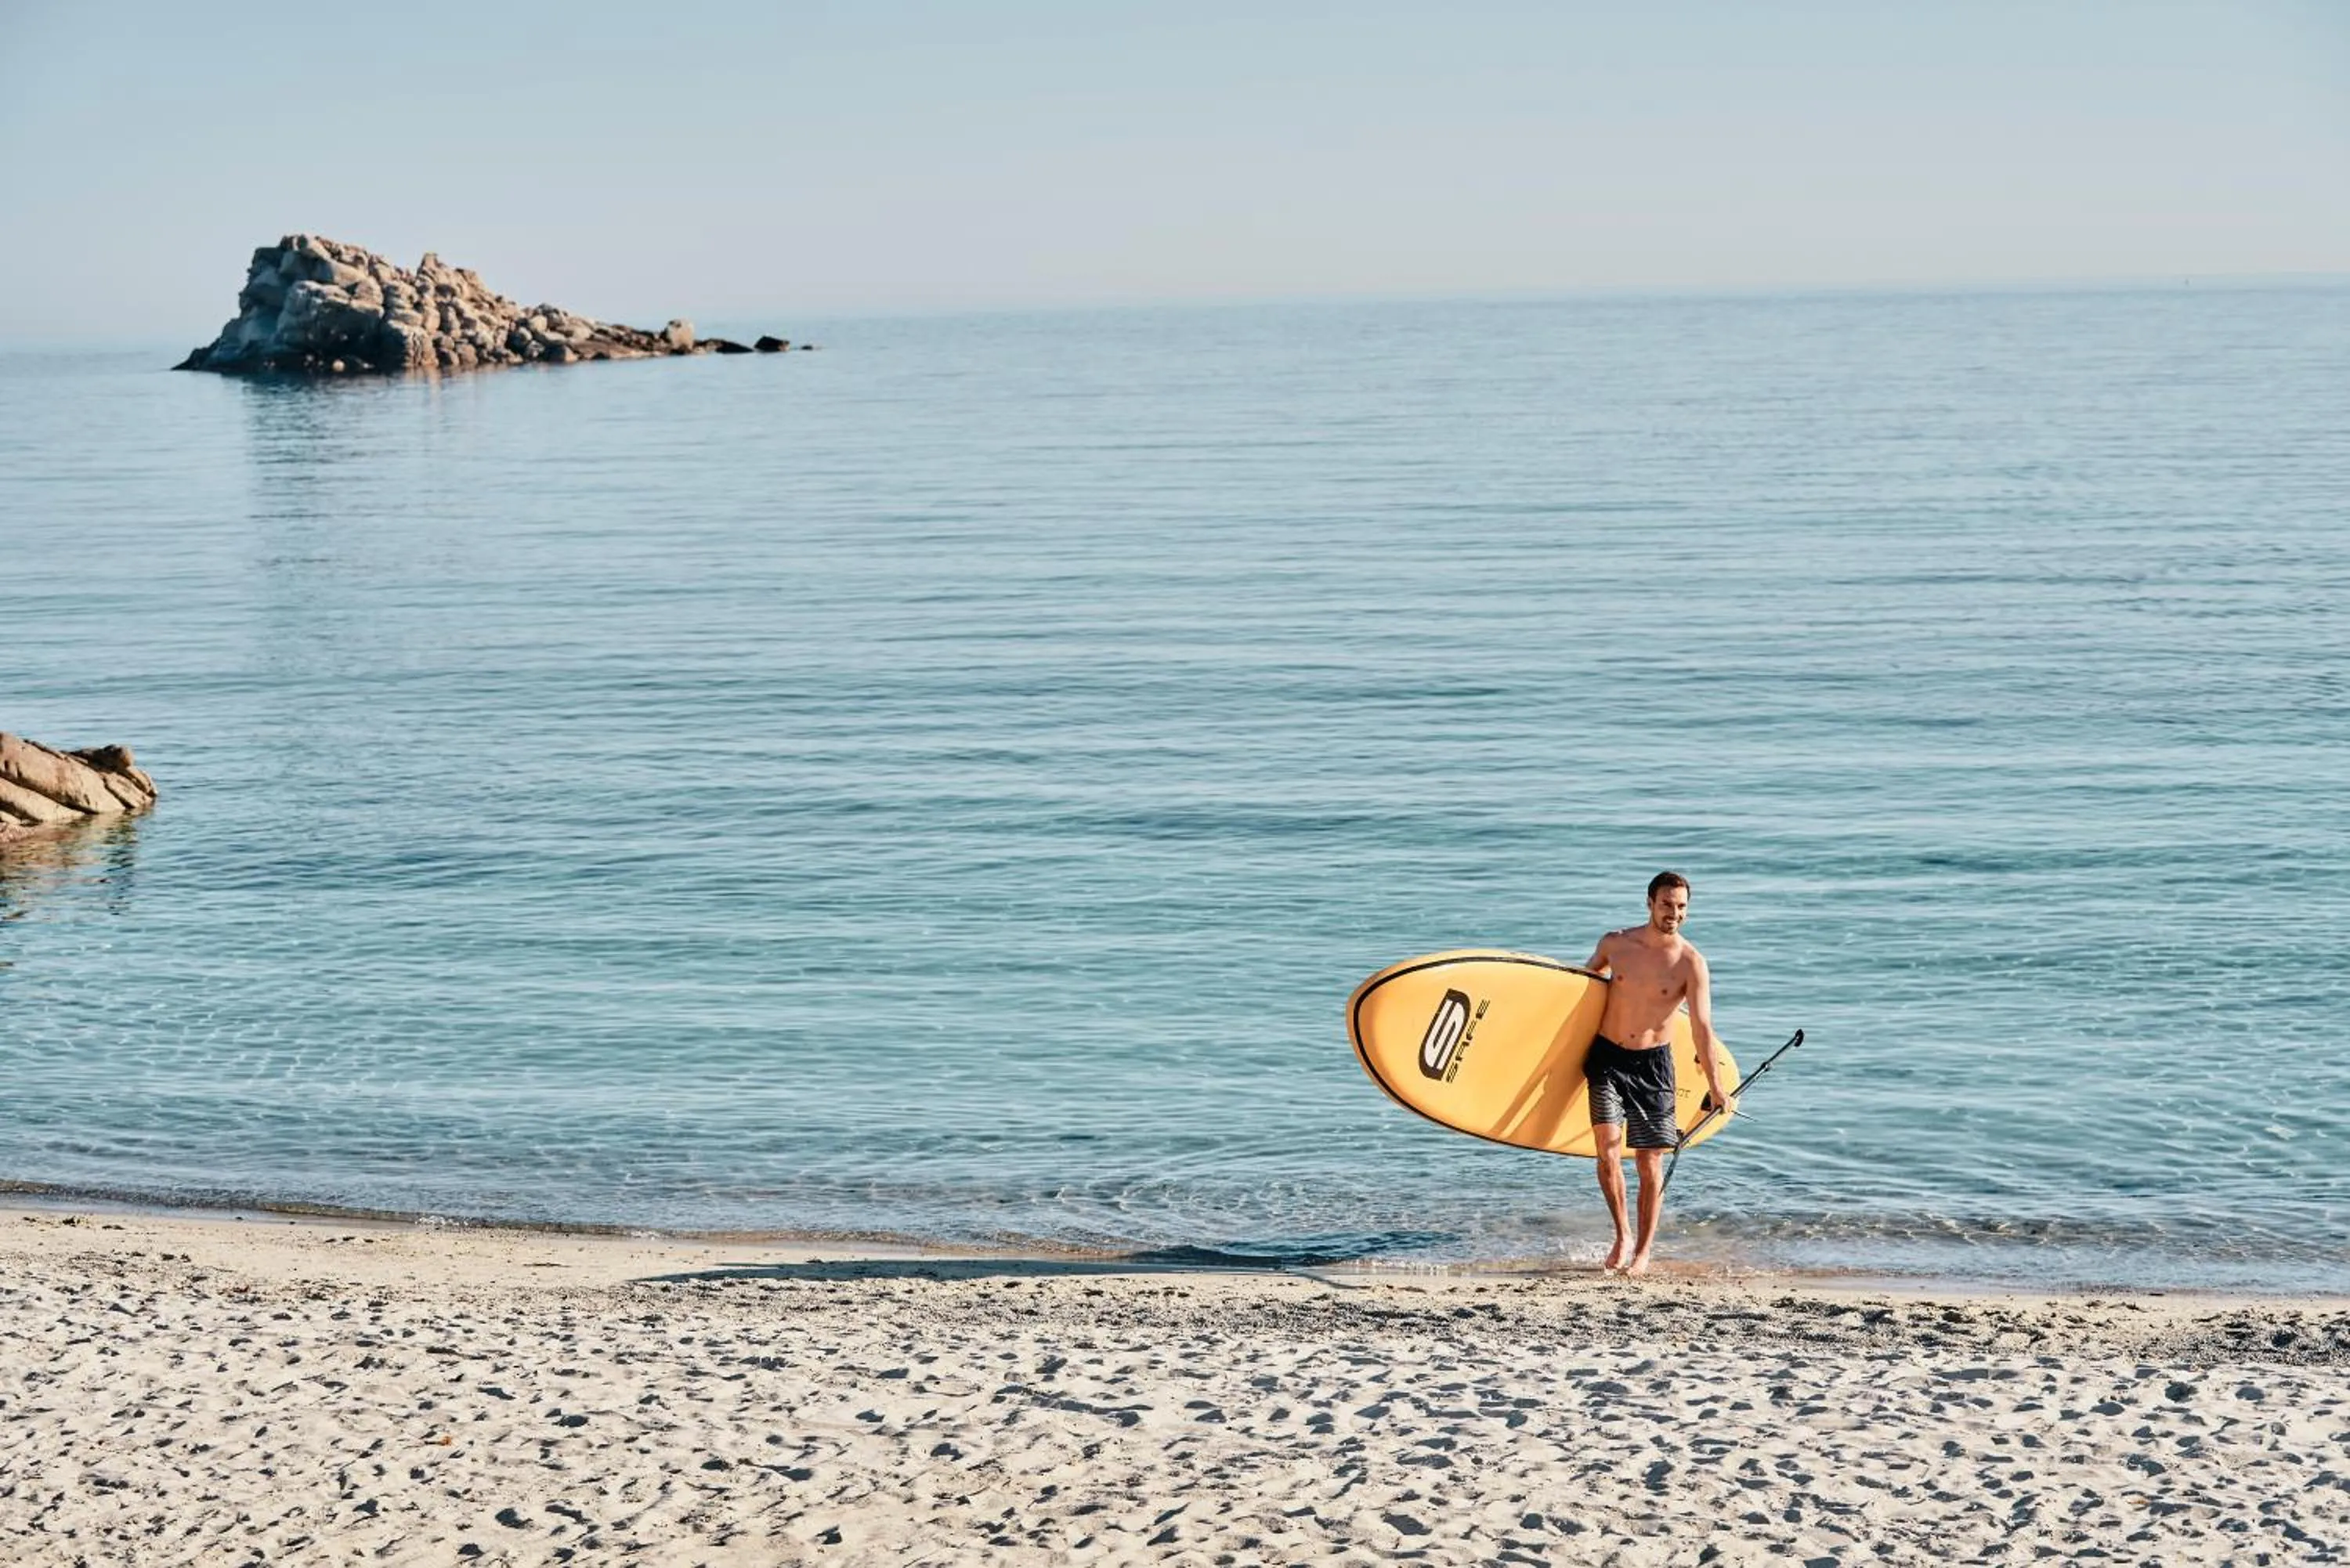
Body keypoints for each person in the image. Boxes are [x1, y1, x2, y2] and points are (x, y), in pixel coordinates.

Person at [1582, 872, 1734, 1276]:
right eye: (1667, 904)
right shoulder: (1615, 944)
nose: (1675, 913)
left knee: (1650, 1163)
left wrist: (1717, 1086)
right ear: (1649, 902)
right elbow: (1581, 988)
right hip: (1607, 1058)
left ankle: (1643, 1252)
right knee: (1608, 1149)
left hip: (1653, 1066)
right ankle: (1622, 1234)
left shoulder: (1691, 964)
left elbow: (1702, 1028)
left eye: (1682, 906)